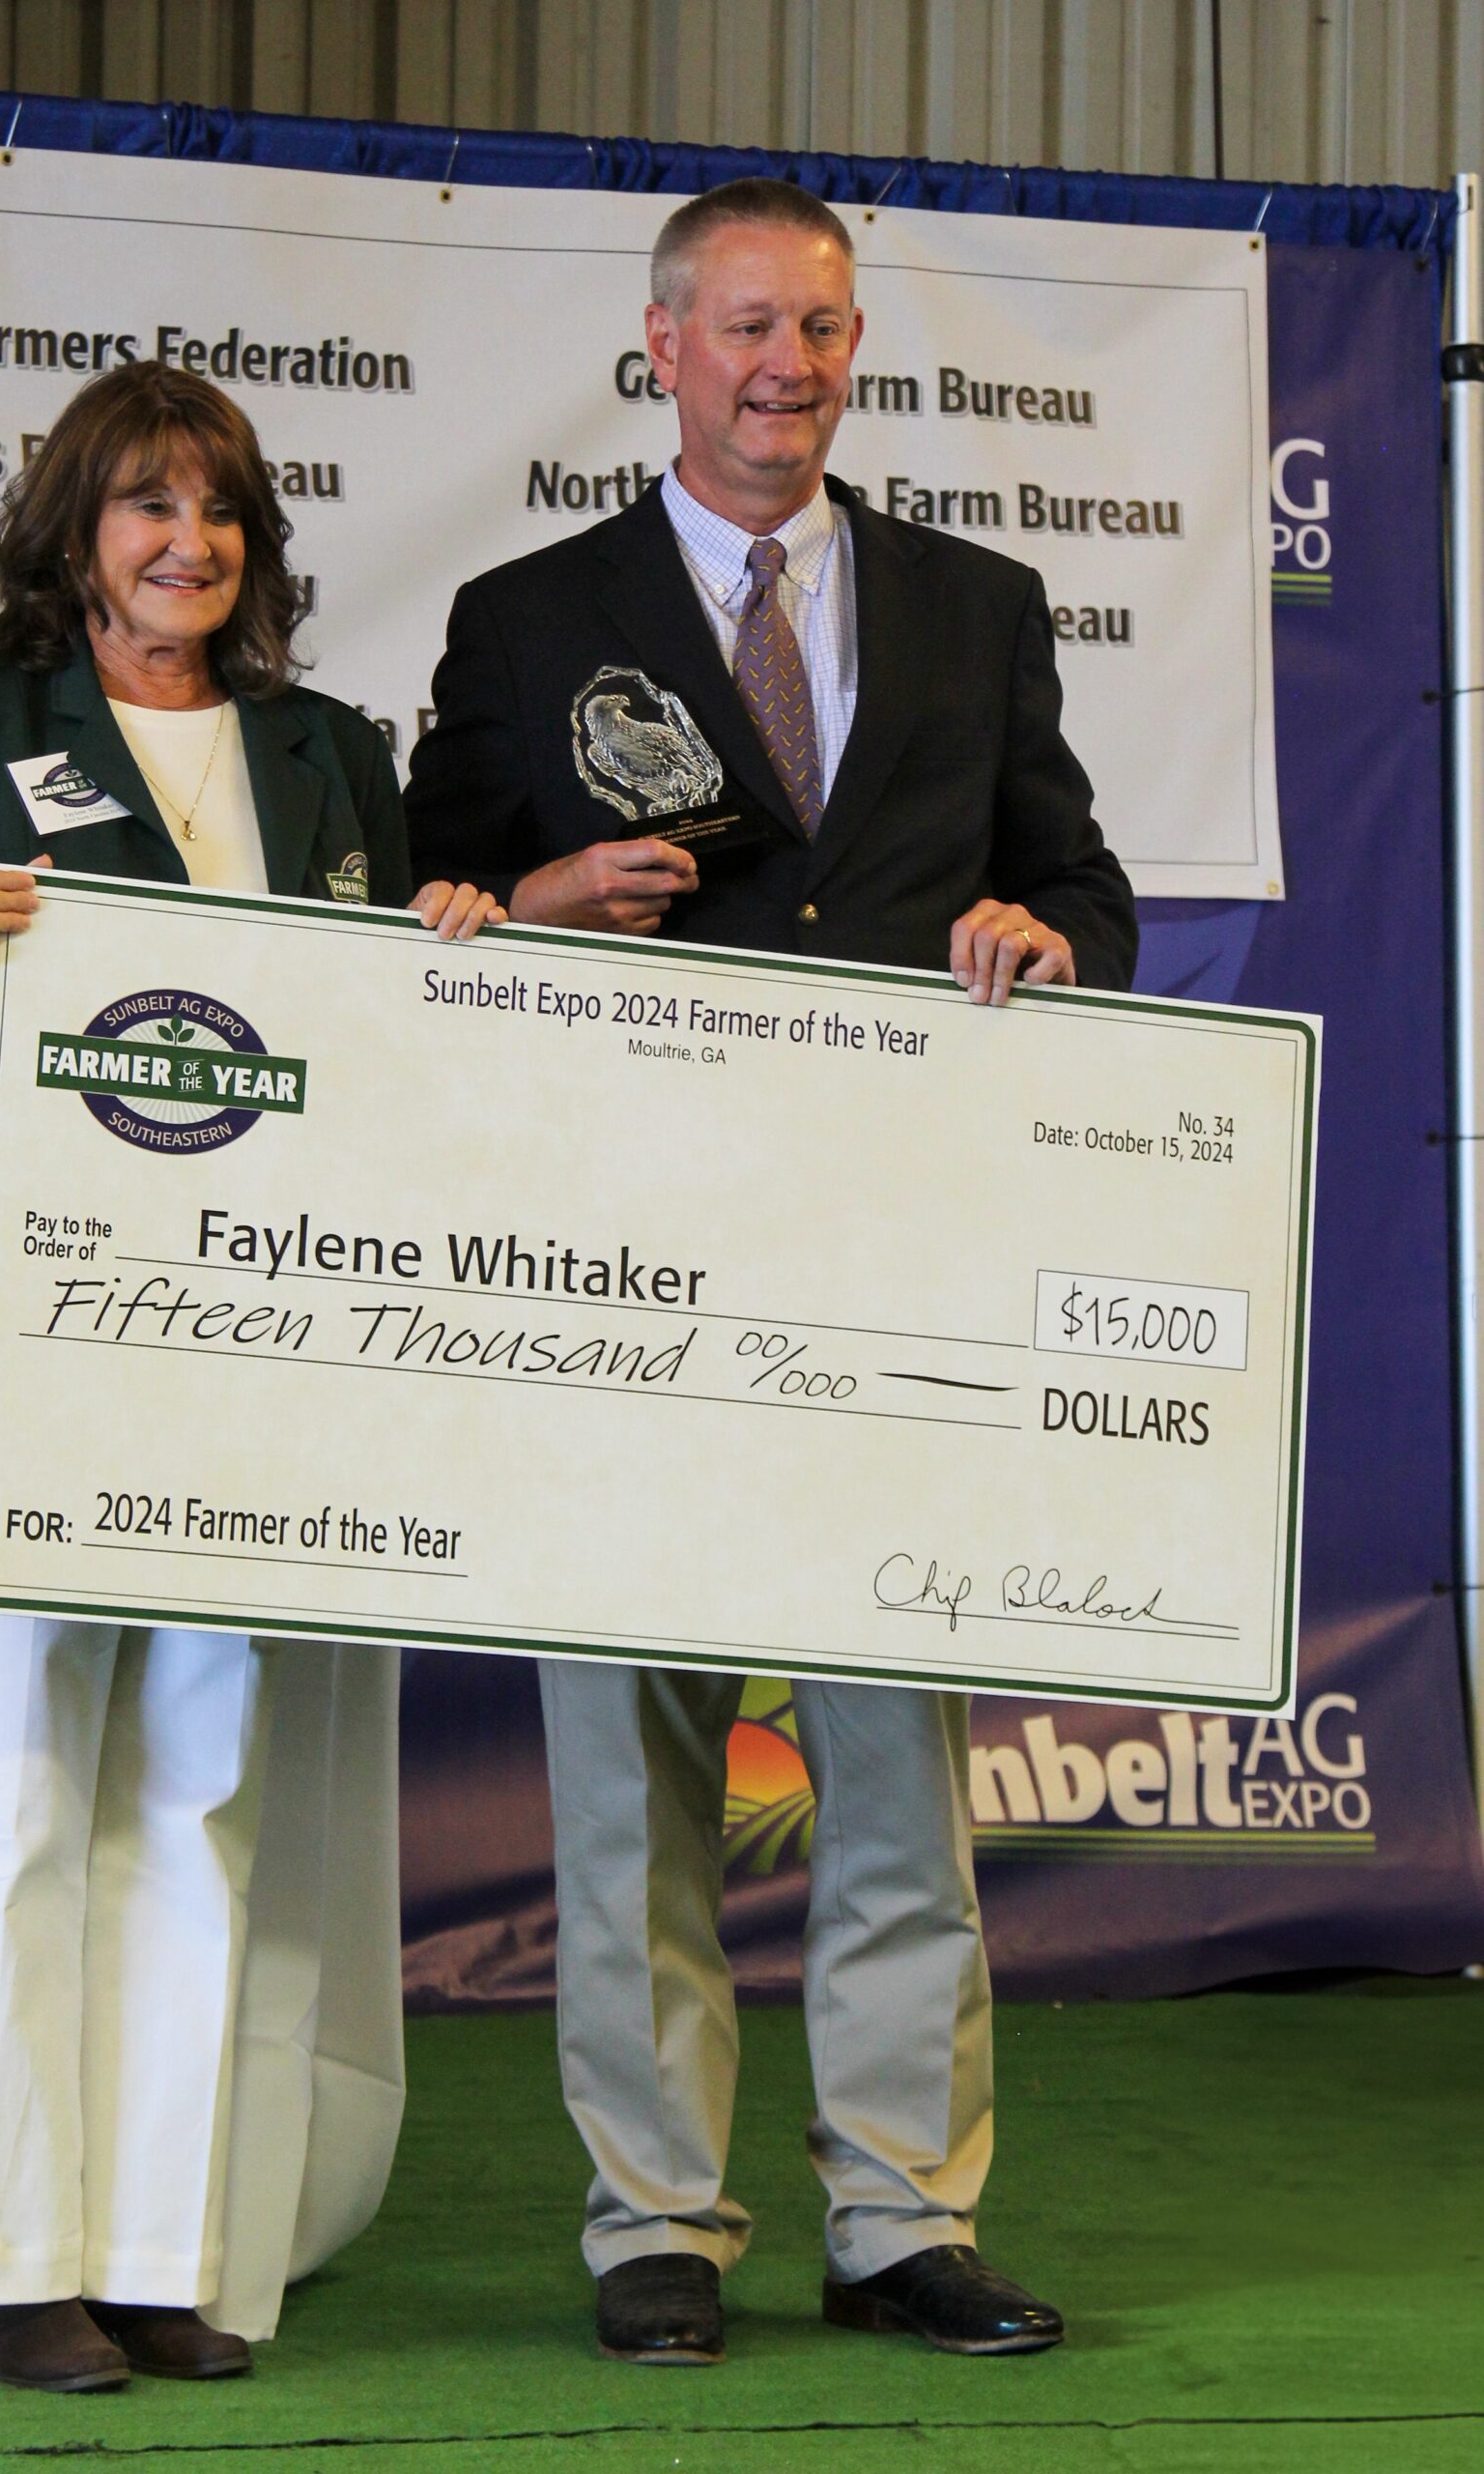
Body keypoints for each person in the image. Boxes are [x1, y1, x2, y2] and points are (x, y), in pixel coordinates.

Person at [406, 178, 1137, 2368]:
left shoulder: (979, 602)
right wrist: (532, 891)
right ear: (659, 347)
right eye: (746, 329)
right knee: (631, 1759)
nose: (789, 368)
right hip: (621, 1256)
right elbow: (432, 892)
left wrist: (1047, 944)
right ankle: (659, 2216)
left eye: (822, 330)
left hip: (891, 1265)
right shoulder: (527, 614)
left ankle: (907, 2212)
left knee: (897, 1750)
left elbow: (1083, 887)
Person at [0, 361, 499, 2396]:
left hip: (250, 1355)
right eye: (143, 508)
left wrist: (448, 956)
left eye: (216, 512)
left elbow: (385, 1065)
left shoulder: (328, 755)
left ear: (255, 546)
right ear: (72, 534)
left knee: (198, 1796)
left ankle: (153, 2244)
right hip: (19, 1345)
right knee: (19, 1791)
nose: (183, 544)